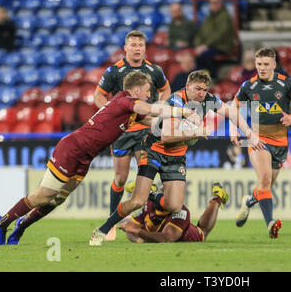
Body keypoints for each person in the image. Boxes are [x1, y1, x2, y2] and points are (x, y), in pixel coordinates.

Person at [0, 72, 200, 245]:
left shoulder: (128, 108)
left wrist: (183, 128)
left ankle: (21, 227)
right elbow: (153, 109)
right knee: (43, 196)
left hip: (84, 157)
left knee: (58, 199)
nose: (149, 94)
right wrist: (184, 112)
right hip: (71, 150)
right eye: (147, 91)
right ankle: (2, 222)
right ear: (136, 90)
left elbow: (154, 120)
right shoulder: (127, 101)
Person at [89, 70, 265, 246]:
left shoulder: (208, 100)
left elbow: (233, 113)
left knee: (174, 206)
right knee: (136, 201)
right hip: (154, 151)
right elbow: (166, 137)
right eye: (197, 89)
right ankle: (103, 229)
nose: (201, 94)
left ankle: (153, 194)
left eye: (204, 90)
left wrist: (250, 135)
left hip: (176, 157)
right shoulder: (176, 100)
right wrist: (196, 132)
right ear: (188, 86)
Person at [93, 30, 171, 241]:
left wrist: (160, 106)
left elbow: (165, 89)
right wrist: (110, 112)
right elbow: (98, 95)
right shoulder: (115, 71)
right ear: (125, 48)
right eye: (133, 45)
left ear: (145, 48)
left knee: (146, 175)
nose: (137, 48)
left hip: (145, 130)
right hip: (122, 131)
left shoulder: (154, 70)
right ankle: (111, 222)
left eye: (140, 45)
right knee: (120, 177)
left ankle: (144, 220)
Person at [232, 47, 291, 238]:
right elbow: (234, 106)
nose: (262, 68)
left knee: (266, 185)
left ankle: (249, 201)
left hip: (281, 142)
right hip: (258, 139)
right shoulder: (248, 86)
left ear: (274, 65)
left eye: (266, 64)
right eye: (259, 64)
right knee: (265, 179)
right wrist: (234, 130)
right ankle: (270, 224)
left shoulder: (286, 84)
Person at [118, 183, 228, 243]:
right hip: (158, 232)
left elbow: (166, 238)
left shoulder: (181, 212)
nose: (156, 198)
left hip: (190, 235)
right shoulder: (149, 204)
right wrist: (136, 235)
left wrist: (138, 232)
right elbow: (130, 231)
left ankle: (217, 197)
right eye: (157, 194)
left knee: (203, 230)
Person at [194, 0, 236, 78]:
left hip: (222, 47)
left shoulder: (225, 17)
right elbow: (199, 34)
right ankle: (198, 79)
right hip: (208, 47)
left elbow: (220, 35)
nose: (214, 5)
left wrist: (205, 45)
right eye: (211, 2)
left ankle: (212, 78)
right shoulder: (208, 18)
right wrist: (198, 45)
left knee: (205, 55)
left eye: (216, 2)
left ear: (221, 3)